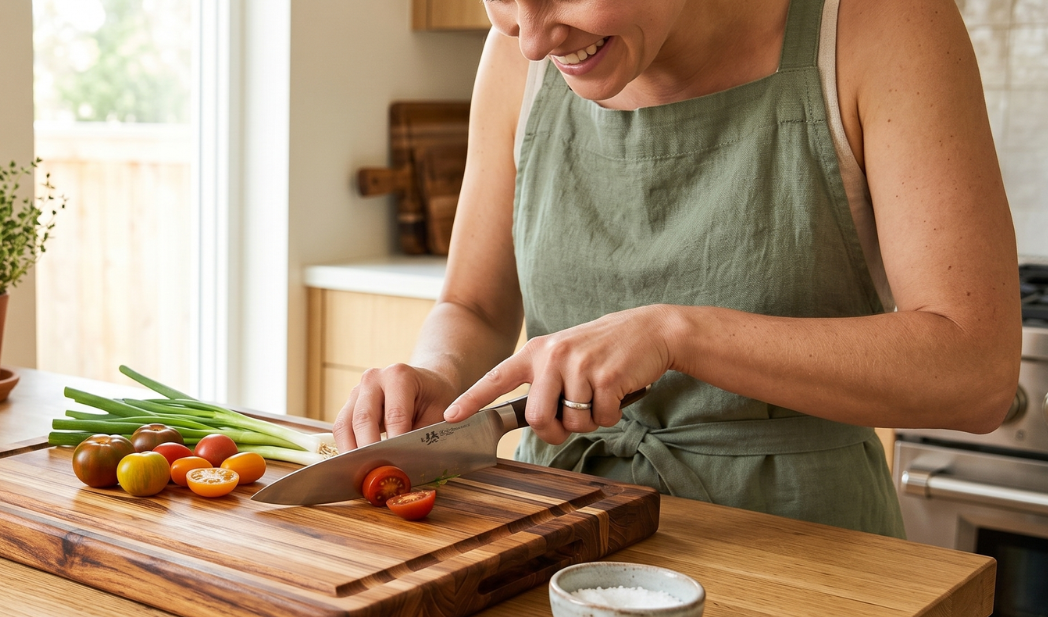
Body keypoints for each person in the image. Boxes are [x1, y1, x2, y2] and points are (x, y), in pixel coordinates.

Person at [331, 0, 1020, 536]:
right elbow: (474, 306)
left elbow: (977, 373)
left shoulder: (880, 24)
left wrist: (676, 335)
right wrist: (437, 376)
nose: (533, 39)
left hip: (807, 553)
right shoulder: (516, 56)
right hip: (555, 532)